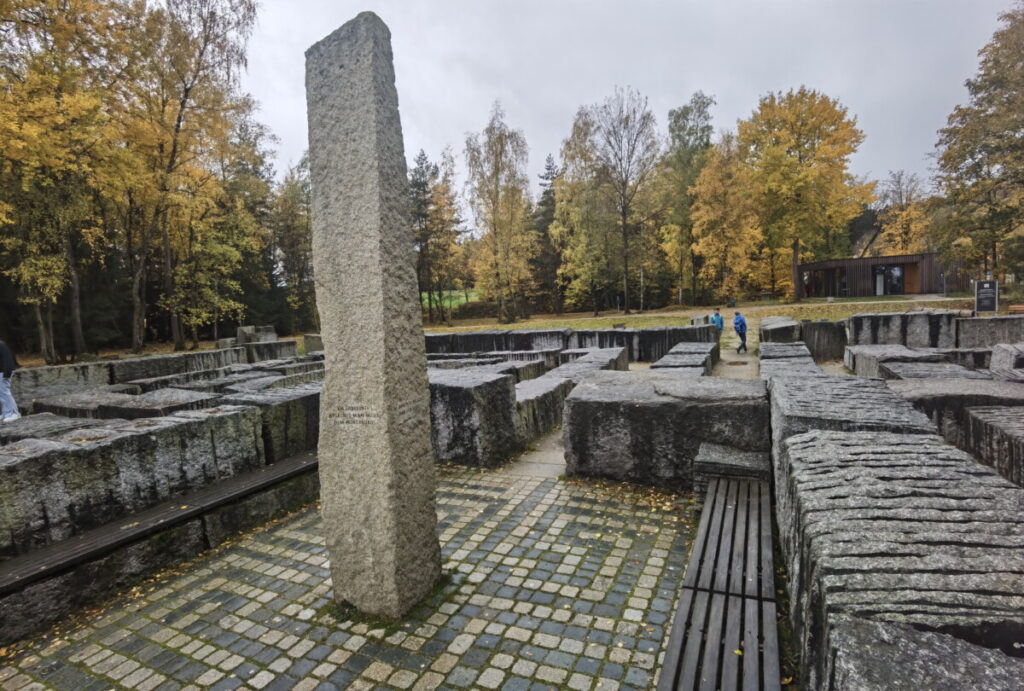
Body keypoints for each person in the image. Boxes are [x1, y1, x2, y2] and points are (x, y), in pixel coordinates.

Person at [0, 339, 19, 422]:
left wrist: (7, 372)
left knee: (4, 392)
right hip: (2, 372)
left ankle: (12, 413)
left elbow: (7, 359)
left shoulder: (1, 346)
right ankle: (5, 413)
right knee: (1, 394)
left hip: (4, 372)